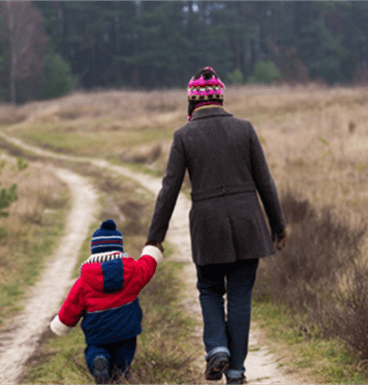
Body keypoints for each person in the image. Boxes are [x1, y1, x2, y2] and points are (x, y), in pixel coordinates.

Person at [146, 66, 287, 385]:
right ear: (220, 98)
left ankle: (218, 348)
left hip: (208, 229)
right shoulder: (245, 129)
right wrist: (278, 226)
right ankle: (235, 372)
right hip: (248, 224)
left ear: (192, 103)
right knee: (240, 297)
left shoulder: (184, 136)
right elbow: (265, 181)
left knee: (209, 290)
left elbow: (169, 189)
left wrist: (155, 238)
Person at [50, 219, 164, 384]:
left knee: (94, 351)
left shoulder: (85, 280)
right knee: (122, 361)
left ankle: (99, 359)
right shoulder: (132, 271)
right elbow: (147, 266)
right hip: (126, 331)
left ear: (94, 251)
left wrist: (63, 323)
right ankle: (119, 376)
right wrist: (151, 251)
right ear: (119, 248)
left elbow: (72, 305)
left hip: (98, 333)